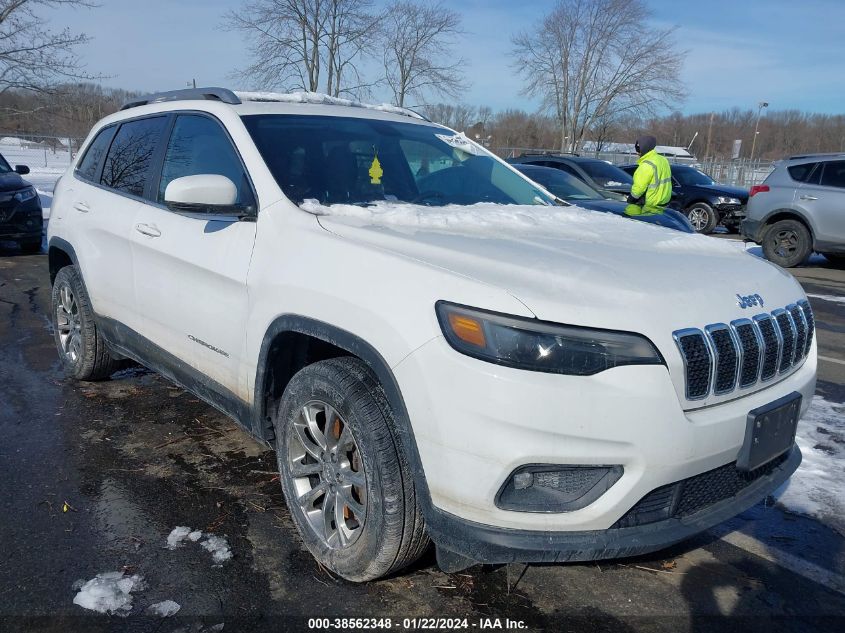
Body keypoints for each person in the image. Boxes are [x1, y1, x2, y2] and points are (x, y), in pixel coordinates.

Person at [627, 135, 672, 207]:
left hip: (650, 205)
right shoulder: (663, 160)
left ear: (644, 148)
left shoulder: (647, 164)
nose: (636, 153)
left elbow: (638, 188)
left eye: (638, 149)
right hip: (664, 204)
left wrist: (629, 201)